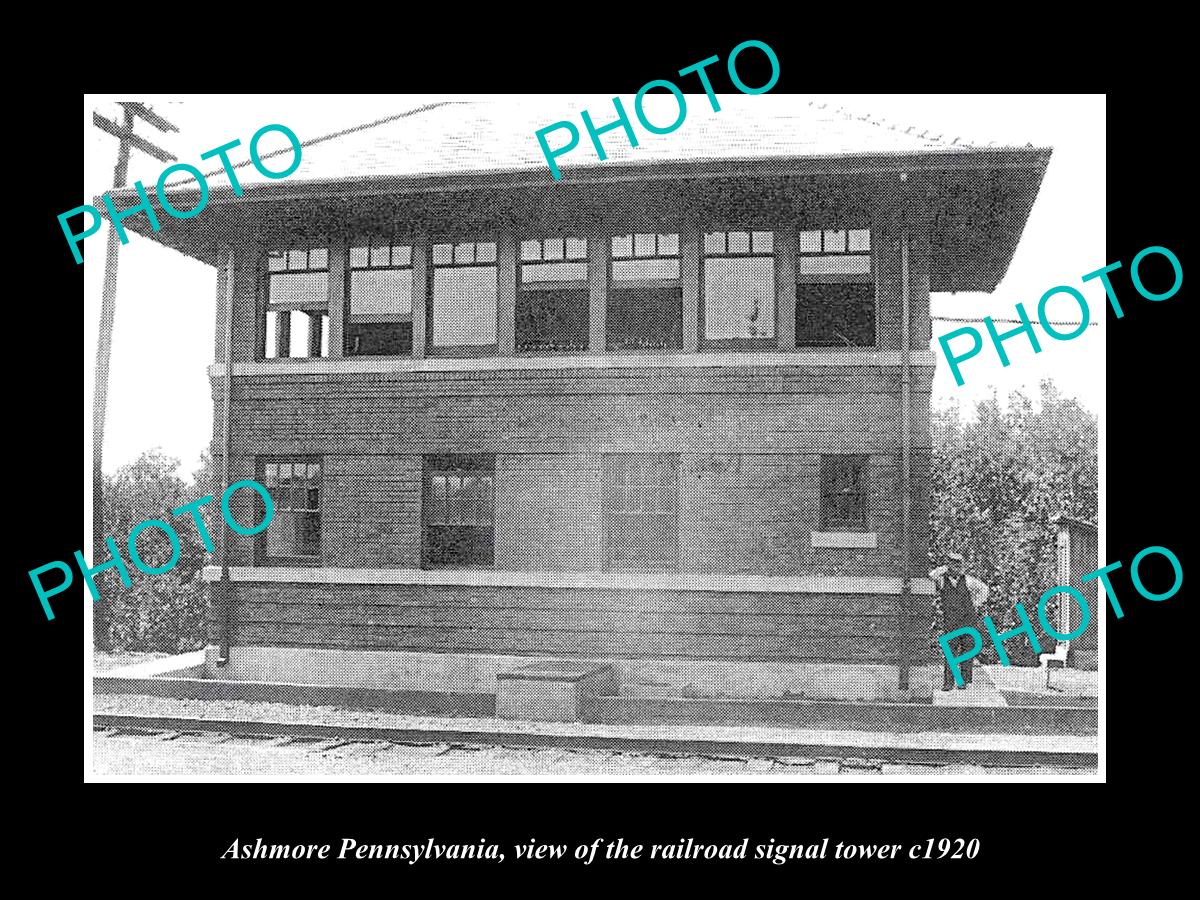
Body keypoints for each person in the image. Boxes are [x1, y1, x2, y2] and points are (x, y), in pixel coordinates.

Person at [930, 552, 989, 690]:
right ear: (948, 565)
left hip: (968, 621)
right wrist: (943, 569)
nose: (955, 567)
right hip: (951, 621)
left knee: (967, 651)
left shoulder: (968, 580)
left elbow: (984, 590)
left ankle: (963, 682)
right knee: (950, 651)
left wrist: (974, 603)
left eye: (958, 564)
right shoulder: (942, 580)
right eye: (952, 564)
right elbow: (931, 576)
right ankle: (948, 683)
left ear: (961, 566)